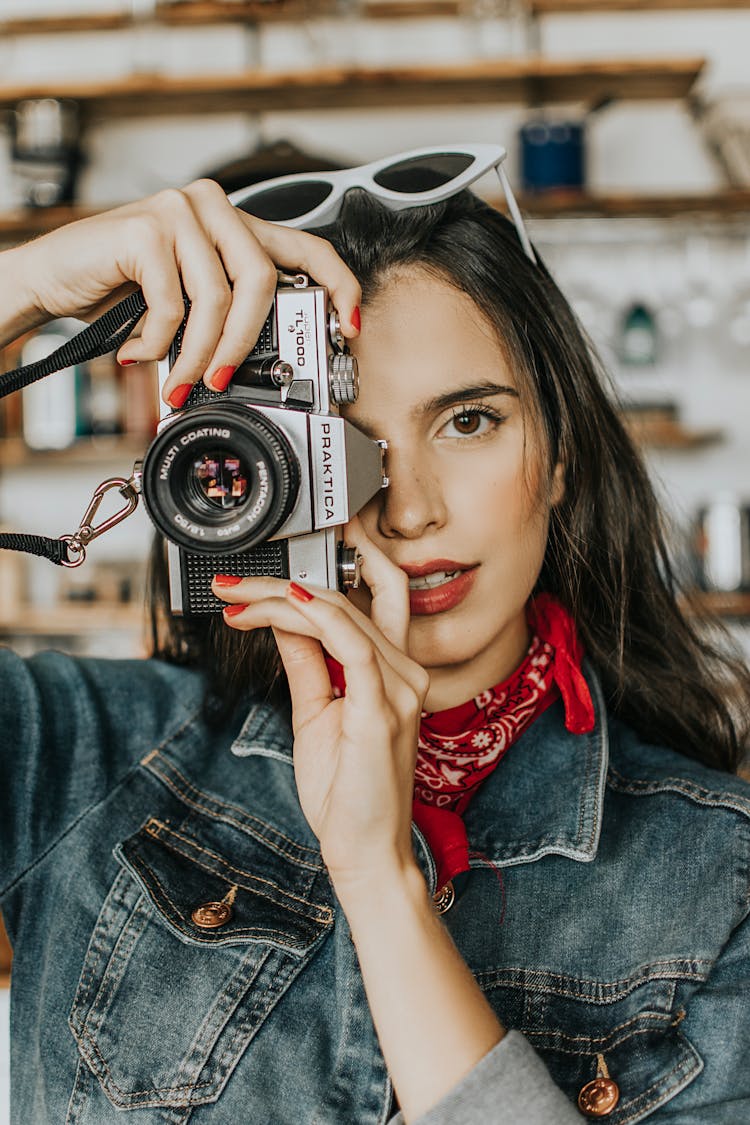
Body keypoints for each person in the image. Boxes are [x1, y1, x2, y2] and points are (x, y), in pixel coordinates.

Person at [0, 153, 749, 1125]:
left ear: (559, 457)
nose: (410, 511)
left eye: (468, 420)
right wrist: (23, 286)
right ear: (260, 479)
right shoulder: (90, 762)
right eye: (345, 447)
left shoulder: (717, 874)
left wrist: (379, 877)